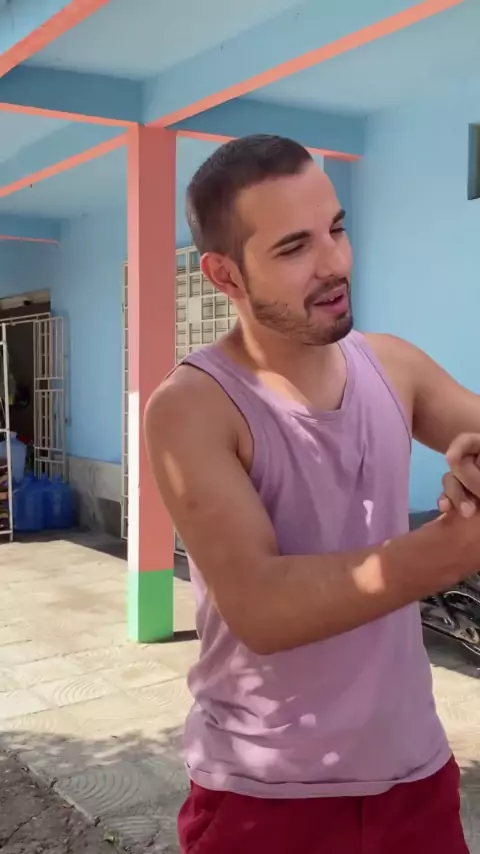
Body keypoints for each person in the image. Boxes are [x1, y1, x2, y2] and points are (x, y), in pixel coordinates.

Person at [144, 135, 480, 854]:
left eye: (336, 229)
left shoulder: (394, 367)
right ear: (225, 275)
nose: (333, 263)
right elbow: (261, 608)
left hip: (416, 779)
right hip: (265, 799)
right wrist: (453, 547)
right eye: (294, 246)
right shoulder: (193, 408)